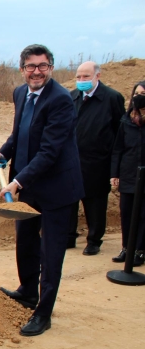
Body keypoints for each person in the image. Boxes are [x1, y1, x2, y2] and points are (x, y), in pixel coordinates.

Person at [0, 44, 83, 336]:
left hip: (57, 190)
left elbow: (49, 151)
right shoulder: (20, 93)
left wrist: (17, 182)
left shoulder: (61, 100)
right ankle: (28, 291)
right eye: (31, 66)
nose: (36, 72)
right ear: (22, 69)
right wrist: (3, 153)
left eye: (43, 66)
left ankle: (44, 313)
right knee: (25, 243)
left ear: (51, 68)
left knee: (50, 252)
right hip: (29, 186)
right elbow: (20, 133)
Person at [67, 61, 125, 255]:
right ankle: (68, 236)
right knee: (69, 201)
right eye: (78, 77)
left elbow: (120, 131)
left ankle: (94, 241)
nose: (81, 81)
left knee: (95, 203)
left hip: (98, 162)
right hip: (72, 160)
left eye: (86, 77)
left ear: (97, 76)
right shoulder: (71, 97)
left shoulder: (111, 98)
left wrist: (116, 162)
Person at [110, 81, 145, 265]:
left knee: (142, 215)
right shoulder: (126, 120)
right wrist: (114, 173)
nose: (139, 97)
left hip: (144, 176)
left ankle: (139, 250)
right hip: (128, 174)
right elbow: (118, 149)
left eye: (143, 93)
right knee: (127, 212)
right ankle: (126, 248)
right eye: (137, 93)